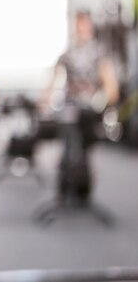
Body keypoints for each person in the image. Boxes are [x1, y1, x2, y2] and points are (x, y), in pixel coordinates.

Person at [40, 10, 119, 202]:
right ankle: (64, 186)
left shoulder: (99, 52)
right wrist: (44, 102)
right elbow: (54, 79)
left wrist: (106, 102)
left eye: (83, 24)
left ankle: (83, 188)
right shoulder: (68, 53)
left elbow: (110, 83)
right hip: (69, 107)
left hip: (90, 109)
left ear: (90, 26)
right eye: (77, 25)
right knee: (67, 146)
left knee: (84, 150)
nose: (80, 28)